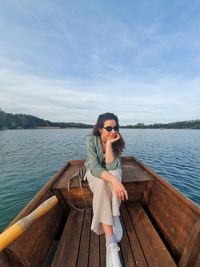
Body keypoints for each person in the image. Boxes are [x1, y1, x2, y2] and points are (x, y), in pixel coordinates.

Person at [85, 112, 128, 267]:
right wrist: (115, 182)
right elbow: (95, 167)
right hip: (94, 172)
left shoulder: (118, 140)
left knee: (115, 173)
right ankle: (110, 242)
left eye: (115, 127)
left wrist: (110, 144)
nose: (113, 131)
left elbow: (111, 166)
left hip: (111, 170)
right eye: (108, 128)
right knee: (104, 183)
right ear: (99, 129)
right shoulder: (91, 140)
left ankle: (114, 216)